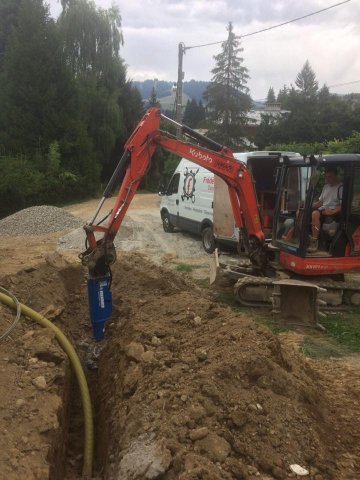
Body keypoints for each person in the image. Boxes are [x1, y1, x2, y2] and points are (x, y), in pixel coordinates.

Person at [308, 167, 342, 253]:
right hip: (323, 209)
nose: (327, 179)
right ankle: (304, 238)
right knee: (301, 212)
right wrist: (308, 206)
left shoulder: (341, 187)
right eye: (326, 177)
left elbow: (344, 205)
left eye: (330, 177)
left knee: (315, 214)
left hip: (333, 211)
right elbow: (320, 202)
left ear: (336, 176)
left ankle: (314, 242)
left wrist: (333, 211)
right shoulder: (326, 187)